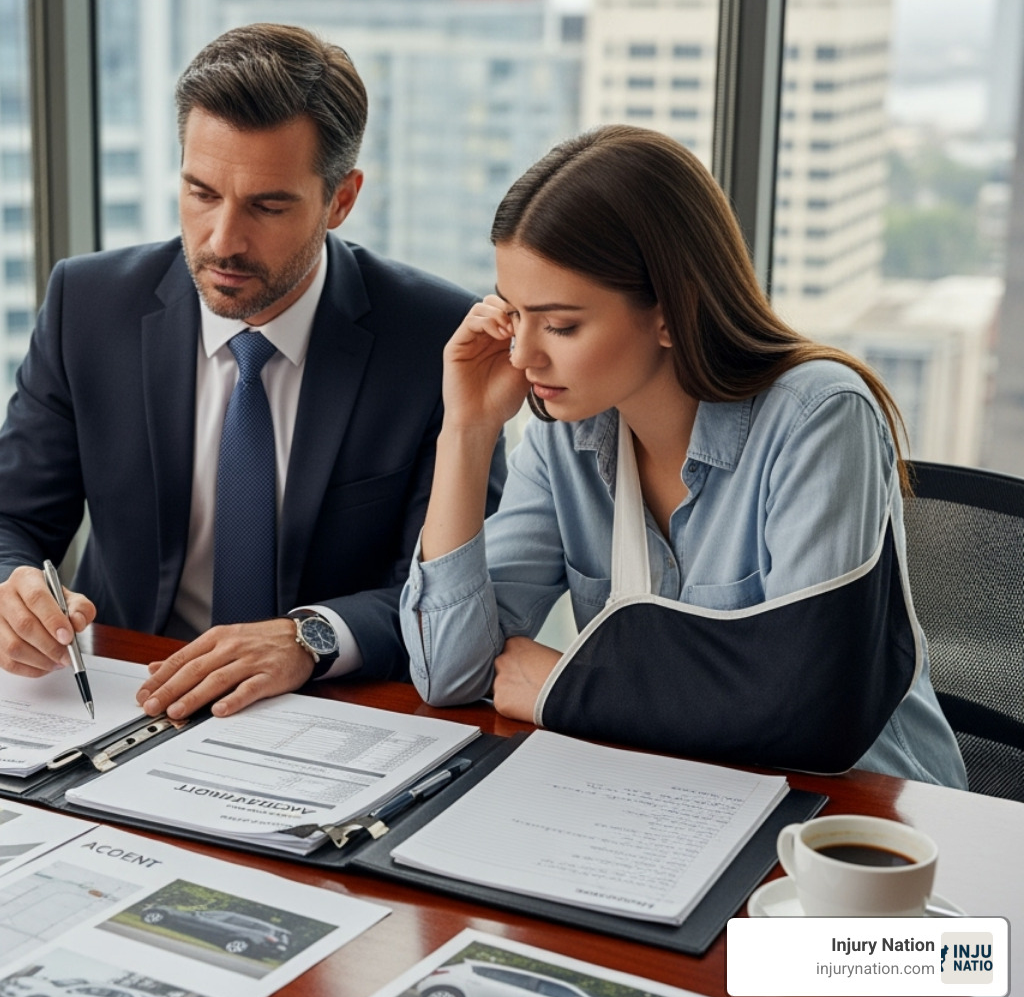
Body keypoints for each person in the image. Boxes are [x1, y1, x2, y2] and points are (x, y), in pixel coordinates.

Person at [0, 23, 504, 721]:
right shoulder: (89, 307)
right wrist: (0, 597)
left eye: (268, 206)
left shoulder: (435, 342)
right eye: (202, 193)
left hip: (331, 715)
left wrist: (310, 638)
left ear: (341, 199)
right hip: (120, 701)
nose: (222, 240)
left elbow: (449, 594)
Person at [401, 125, 966, 786]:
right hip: (677, 796)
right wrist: (466, 430)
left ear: (672, 311)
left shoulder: (819, 416)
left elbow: (808, 712)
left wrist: (569, 685)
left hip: (858, 818)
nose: (524, 355)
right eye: (514, 315)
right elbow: (450, 672)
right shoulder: (565, 437)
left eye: (560, 325)